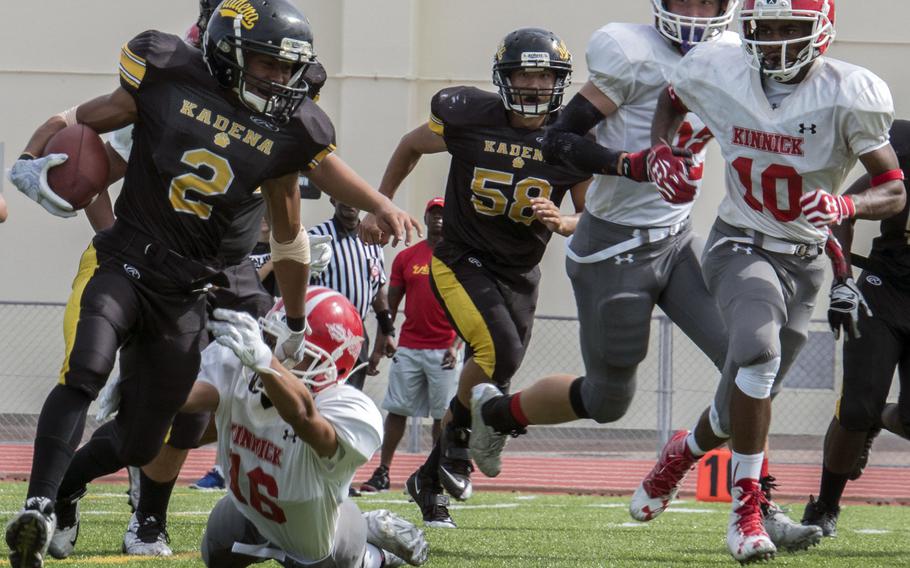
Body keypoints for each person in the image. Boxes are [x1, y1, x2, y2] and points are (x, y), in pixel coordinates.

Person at [4, 2, 418, 566]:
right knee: (86, 370)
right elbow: (81, 117)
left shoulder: (286, 126)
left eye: (286, 68)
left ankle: (130, 497)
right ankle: (41, 506)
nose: (279, 79)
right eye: (267, 65)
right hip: (129, 260)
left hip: (196, 284)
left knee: (148, 433)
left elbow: (305, 203)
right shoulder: (169, 76)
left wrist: (374, 207)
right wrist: (33, 158)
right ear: (225, 51)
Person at [636, 0, 906, 561]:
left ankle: (684, 451)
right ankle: (747, 509)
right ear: (746, 29)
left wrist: (846, 203)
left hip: (807, 256)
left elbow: (895, 189)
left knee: (747, 395)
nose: (777, 40)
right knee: (757, 356)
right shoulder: (719, 66)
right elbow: (672, 99)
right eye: (766, 27)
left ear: (823, 30)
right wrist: (662, 148)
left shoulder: (848, 91)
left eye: (792, 28)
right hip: (740, 242)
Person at [363, 27, 592, 527]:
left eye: (545, 75)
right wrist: (381, 204)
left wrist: (563, 221)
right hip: (461, 256)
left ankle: (429, 476)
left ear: (560, 81)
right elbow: (409, 146)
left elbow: (588, 214)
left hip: (520, 272)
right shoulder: (467, 114)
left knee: (491, 377)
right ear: (504, 78)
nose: (534, 85)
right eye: (524, 74)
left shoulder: (573, 137)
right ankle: (459, 452)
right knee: (498, 354)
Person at [186, 288, 428, 567]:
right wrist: (145, 390)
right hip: (251, 509)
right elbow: (191, 421)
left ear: (331, 365)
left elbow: (304, 419)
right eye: (274, 339)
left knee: (339, 559)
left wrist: (267, 365)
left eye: (293, 348)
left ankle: (376, 553)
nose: (276, 352)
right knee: (216, 548)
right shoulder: (246, 370)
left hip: (316, 531)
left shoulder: (349, 409)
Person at [801, 119, 910, 537]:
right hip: (886, 288)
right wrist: (843, 277)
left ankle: (877, 419)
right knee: (856, 409)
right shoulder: (904, 147)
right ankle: (825, 506)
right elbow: (844, 207)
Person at [358, 197, 463, 494]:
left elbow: (469, 307)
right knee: (397, 410)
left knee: (443, 415)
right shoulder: (408, 258)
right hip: (410, 346)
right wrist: (383, 342)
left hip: (445, 350)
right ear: (426, 219)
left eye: (444, 214)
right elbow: (389, 305)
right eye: (434, 214)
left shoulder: (458, 258)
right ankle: (383, 471)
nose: (439, 219)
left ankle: (436, 472)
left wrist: (456, 346)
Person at [309, 198, 396, 393]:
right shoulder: (317, 236)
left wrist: (387, 330)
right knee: (321, 394)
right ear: (333, 200)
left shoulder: (373, 238)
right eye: (342, 196)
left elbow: (377, 288)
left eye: (352, 197)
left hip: (358, 331)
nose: (349, 202)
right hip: (323, 331)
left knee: (351, 394)